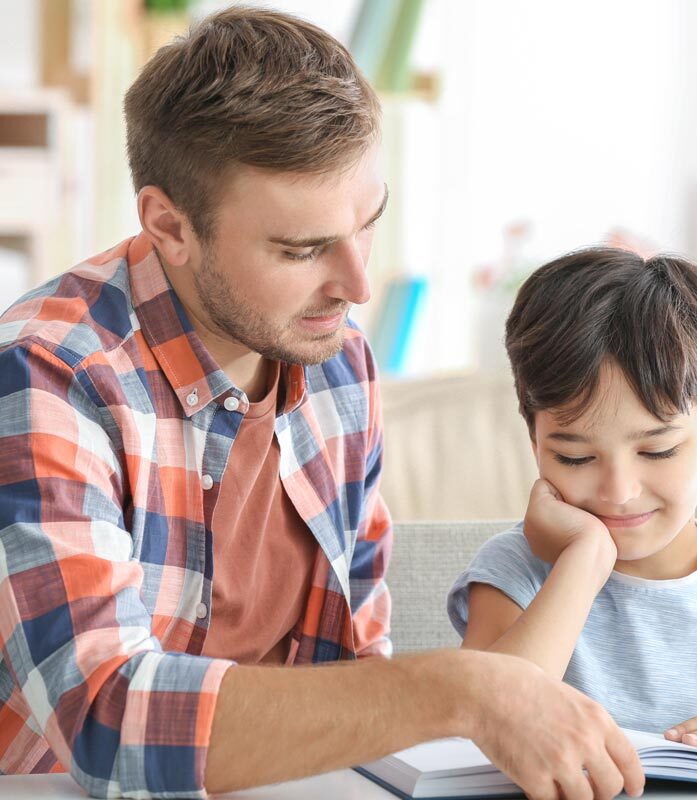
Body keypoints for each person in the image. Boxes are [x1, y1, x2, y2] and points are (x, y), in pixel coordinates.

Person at [0, 8, 644, 800]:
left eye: (366, 224)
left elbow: (352, 673)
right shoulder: (45, 378)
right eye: (300, 250)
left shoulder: (338, 364)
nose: (356, 285)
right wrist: (457, 688)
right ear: (170, 225)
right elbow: (106, 719)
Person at [449, 246, 697, 768]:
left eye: (657, 450)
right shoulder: (516, 570)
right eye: (575, 456)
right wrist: (584, 560)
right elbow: (481, 718)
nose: (618, 491)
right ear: (534, 443)